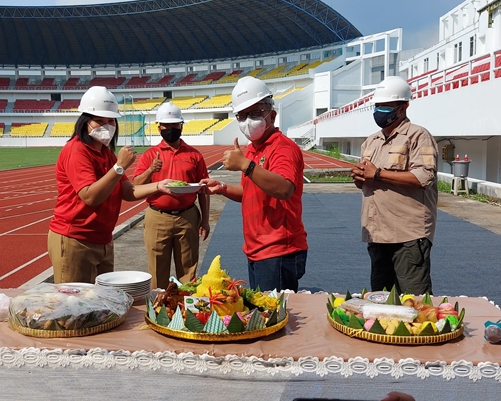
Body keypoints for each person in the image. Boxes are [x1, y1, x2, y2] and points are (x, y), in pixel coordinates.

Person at [48, 86, 175, 284]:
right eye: (99, 120)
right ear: (85, 121)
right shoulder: (77, 150)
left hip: (103, 239)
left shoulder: (106, 153)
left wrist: (158, 186)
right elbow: (90, 196)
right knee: (74, 304)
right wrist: (119, 166)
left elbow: (127, 190)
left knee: (103, 302)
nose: (107, 125)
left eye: (110, 120)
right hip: (76, 238)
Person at [201, 76, 308, 291]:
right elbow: (251, 191)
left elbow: (285, 188)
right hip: (256, 248)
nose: (247, 120)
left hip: (279, 250)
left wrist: (246, 165)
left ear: (272, 115)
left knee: (275, 317)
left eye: (255, 113)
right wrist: (222, 187)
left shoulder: (283, 148)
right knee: (263, 312)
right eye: (242, 115)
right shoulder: (253, 149)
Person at [350, 76, 438, 295]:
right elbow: (367, 182)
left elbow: (424, 176)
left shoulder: (418, 136)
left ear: (404, 106)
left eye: (387, 106)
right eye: (377, 106)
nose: (380, 111)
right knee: (381, 299)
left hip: (407, 235)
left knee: (414, 300)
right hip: (377, 233)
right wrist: (360, 178)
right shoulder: (370, 142)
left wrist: (377, 173)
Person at [132, 102, 210, 289]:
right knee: (157, 271)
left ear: (181, 125)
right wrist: (151, 170)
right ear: (159, 127)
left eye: (175, 125)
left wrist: (205, 220)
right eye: (166, 126)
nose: (170, 129)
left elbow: (204, 190)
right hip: (157, 216)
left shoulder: (194, 155)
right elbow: (136, 184)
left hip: (188, 216)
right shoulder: (150, 154)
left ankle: (186, 310)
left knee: (188, 270)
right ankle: (160, 311)